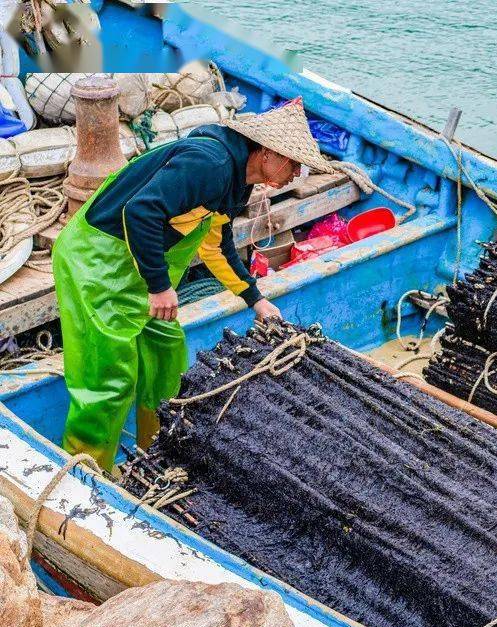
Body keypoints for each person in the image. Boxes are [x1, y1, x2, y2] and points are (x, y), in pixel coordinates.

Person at [52, 98, 337, 472]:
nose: (297, 173)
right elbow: (140, 211)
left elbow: (216, 245)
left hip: (139, 271)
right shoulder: (211, 164)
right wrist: (158, 286)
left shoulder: (237, 182)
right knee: (108, 380)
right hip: (98, 263)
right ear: (268, 153)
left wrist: (256, 300)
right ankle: (85, 472)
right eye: (294, 163)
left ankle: (155, 453)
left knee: (167, 354)